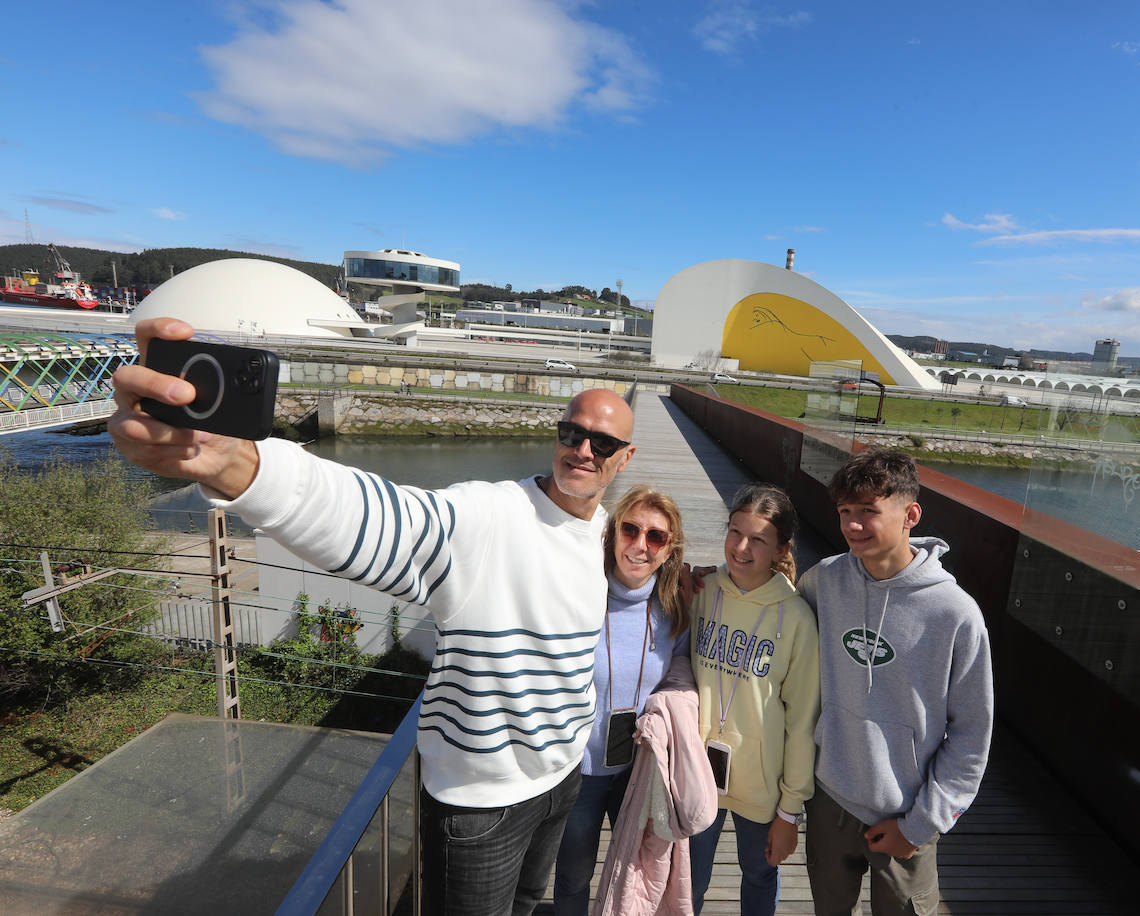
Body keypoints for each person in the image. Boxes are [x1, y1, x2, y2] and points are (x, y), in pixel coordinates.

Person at [109, 317, 637, 916]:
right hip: (482, 801)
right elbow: (386, 518)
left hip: (562, 778)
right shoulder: (488, 518)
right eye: (573, 432)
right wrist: (236, 465)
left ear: (625, 459)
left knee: (528, 904)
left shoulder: (601, 534)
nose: (583, 450)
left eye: (603, 444)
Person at [797, 448, 993, 916]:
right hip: (829, 799)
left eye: (868, 511)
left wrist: (921, 825)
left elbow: (972, 734)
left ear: (911, 515)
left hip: (907, 811)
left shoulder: (956, 614)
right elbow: (776, 608)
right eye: (845, 511)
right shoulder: (824, 580)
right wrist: (714, 581)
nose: (852, 525)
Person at [553, 485, 692, 916]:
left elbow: (679, 679)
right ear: (612, 535)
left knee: (637, 874)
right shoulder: (579, 595)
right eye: (630, 530)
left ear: (670, 550)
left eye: (656, 537)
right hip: (582, 770)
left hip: (641, 768)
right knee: (574, 873)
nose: (640, 545)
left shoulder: (675, 610)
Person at [688, 483, 819, 916]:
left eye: (758, 539)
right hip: (697, 772)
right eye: (734, 532)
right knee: (690, 877)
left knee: (759, 875)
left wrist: (790, 811)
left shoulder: (796, 617)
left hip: (761, 786)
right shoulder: (702, 592)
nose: (741, 547)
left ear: (780, 546)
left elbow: (802, 722)